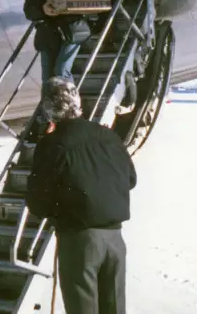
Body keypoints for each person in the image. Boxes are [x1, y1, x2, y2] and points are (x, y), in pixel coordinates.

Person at [26, 76, 137, 314]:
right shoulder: (109, 137)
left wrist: (59, 209)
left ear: (49, 109)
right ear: (78, 105)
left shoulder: (53, 144)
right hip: (115, 240)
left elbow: (37, 200)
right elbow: (131, 179)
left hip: (79, 242)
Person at [21, 0, 91, 98]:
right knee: (48, 79)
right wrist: (43, 10)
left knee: (61, 72)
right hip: (48, 35)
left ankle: (70, 108)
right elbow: (28, 11)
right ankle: (50, 115)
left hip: (71, 29)